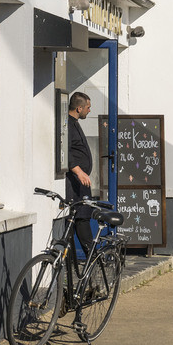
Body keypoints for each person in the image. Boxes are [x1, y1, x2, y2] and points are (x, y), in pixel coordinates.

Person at [66, 92, 95, 258]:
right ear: (79, 108)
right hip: (74, 184)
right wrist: (78, 171)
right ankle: (90, 260)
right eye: (88, 107)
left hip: (80, 183)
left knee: (83, 218)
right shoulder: (68, 125)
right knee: (81, 219)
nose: (89, 110)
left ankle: (90, 262)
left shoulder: (74, 123)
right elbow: (65, 150)